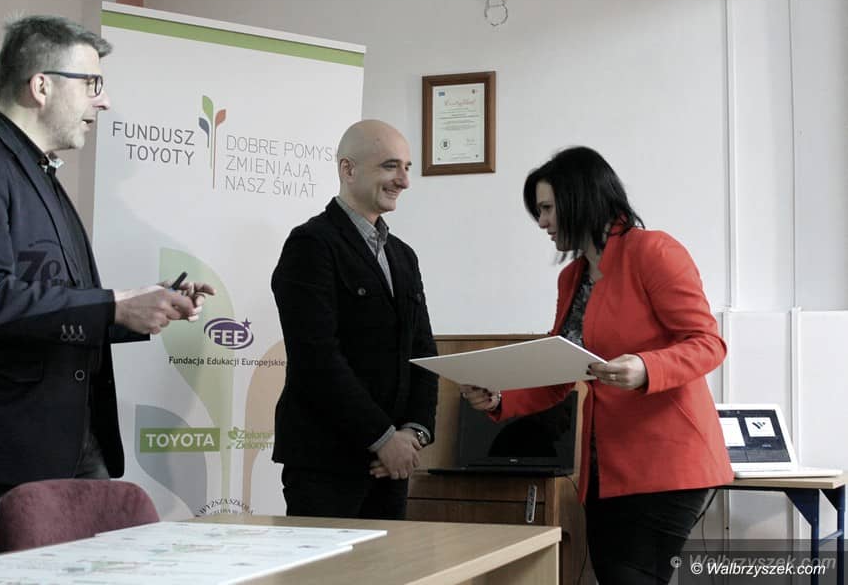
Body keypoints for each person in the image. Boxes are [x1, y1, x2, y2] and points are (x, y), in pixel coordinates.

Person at [0, 15, 214, 558]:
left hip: (75, 446)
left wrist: (142, 304)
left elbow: (54, 303)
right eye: (92, 84)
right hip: (11, 456)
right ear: (41, 86)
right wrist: (114, 307)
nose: (104, 101)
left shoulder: (40, 172)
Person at [460, 146, 732, 584]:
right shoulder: (572, 278)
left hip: (667, 462)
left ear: (579, 199)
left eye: (547, 208)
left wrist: (646, 367)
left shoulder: (654, 251)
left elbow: (708, 343)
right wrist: (499, 398)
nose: (542, 222)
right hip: (604, 468)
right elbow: (559, 371)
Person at [271, 119, 438, 520]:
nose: (404, 180)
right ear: (348, 169)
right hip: (327, 464)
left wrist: (412, 434)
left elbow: (423, 353)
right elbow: (317, 359)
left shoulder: (403, 256)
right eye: (390, 166)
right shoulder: (311, 244)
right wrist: (381, 438)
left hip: (392, 465)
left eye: (407, 168)